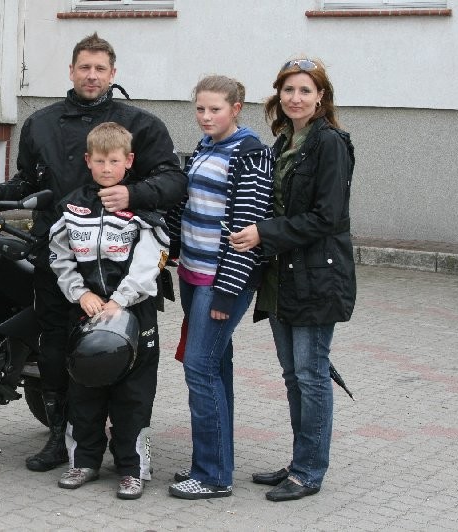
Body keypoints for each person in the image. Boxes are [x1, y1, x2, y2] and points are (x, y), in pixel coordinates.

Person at [0, 33, 186, 473]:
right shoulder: (40, 123)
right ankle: (62, 439)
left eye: (100, 68)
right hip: (60, 263)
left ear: (113, 73)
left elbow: (175, 181)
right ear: (71, 70)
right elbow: (27, 182)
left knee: (125, 355)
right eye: (84, 67)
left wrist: (133, 194)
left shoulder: (142, 125)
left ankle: (127, 446)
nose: (92, 75)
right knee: (55, 351)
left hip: (122, 269)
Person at [229, 57, 356, 502]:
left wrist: (264, 233)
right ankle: (300, 460)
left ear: (321, 96)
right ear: (278, 95)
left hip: (318, 277)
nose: (295, 98)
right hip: (282, 275)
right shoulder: (285, 140)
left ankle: (308, 472)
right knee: (293, 375)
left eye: (305, 90)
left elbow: (327, 216)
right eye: (288, 90)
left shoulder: (330, 143)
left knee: (311, 374)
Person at [47, 122, 169, 500]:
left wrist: (121, 300)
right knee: (84, 392)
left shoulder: (142, 207)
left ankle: (132, 470)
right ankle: (84, 462)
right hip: (87, 313)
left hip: (134, 314)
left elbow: (153, 260)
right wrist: (80, 293)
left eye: (114, 161)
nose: (106, 168)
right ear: (88, 160)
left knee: (133, 397)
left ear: (128, 161)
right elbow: (59, 256)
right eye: (99, 161)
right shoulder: (72, 207)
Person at [165, 76, 274, 500]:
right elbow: (189, 208)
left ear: (236, 108)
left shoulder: (250, 153)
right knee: (215, 367)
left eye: (215, 109)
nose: (206, 117)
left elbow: (246, 231)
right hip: (193, 275)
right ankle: (214, 465)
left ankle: (211, 476)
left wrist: (228, 293)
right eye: (200, 109)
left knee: (199, 367)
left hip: (220, 281)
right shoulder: (205, 147)